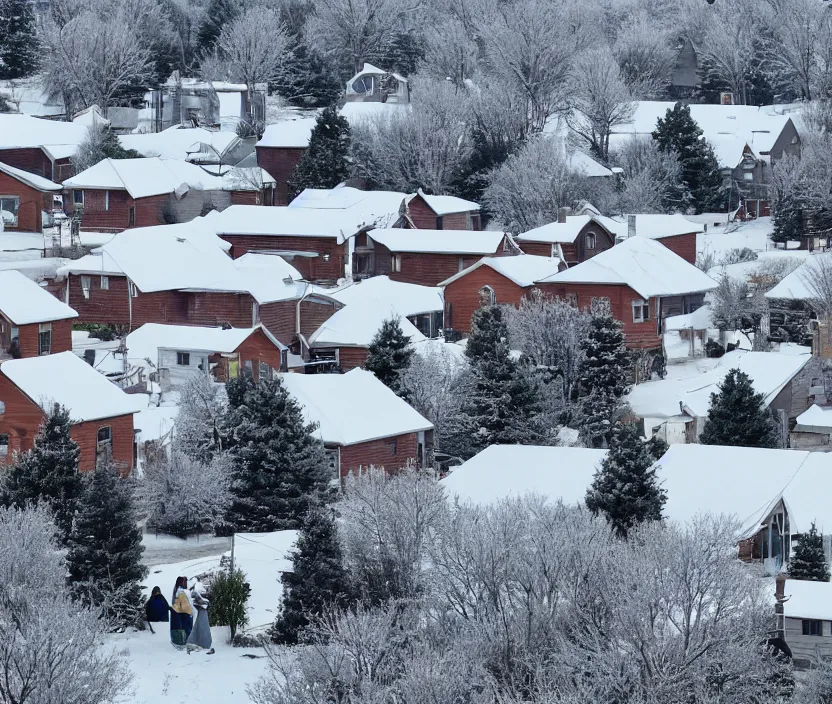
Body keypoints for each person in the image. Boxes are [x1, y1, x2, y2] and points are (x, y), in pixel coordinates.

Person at [186, 582, 214, 654]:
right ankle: (200, 644)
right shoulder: (196, 598)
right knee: (200, 629)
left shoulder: (200, 601)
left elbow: (205, 603)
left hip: (200, 614)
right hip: (199, 614)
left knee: (200, 628)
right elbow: (203, 603)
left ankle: (197, 644)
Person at [170, 576, 193, 648]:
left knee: (183, 629)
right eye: (185, 582)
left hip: (180, 613)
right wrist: (190, 613)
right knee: (186, 629)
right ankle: (185, 642)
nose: (186, 583)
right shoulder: (180, 592)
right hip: (184, 613)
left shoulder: (177, 590)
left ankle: (183, 641)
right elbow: (184, 605)